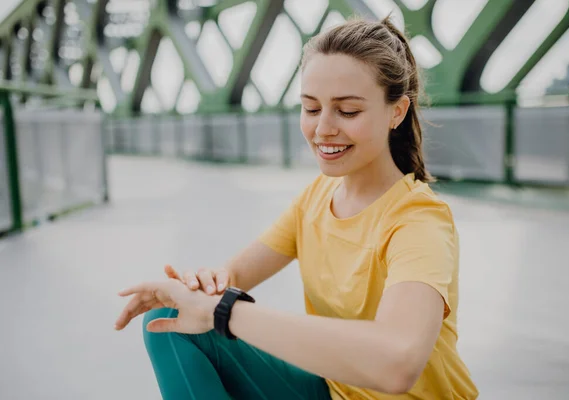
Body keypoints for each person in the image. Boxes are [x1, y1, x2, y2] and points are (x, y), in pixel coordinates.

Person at [115, 15, 479, 400]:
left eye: (348, 111)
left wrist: (224, 312)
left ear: (397, 112)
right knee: (168, 320)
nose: (323, 128)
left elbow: (397, 362)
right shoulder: (317, 198)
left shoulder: (418, 220)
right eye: (311, 108)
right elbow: (234, 274)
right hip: (333, 392)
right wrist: (198, 290)